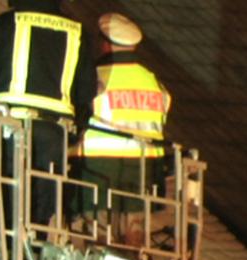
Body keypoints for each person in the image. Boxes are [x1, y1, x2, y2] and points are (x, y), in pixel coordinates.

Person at [0, 0, 96, 228]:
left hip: (10, 128)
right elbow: (86, 91)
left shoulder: (7, 22)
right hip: (55, 134)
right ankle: (35, 252)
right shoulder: (77, 31)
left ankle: (2, 252)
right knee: (41, 208)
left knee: (3, 201)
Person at [70, 12, 173, 246]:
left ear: (104, 43)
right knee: (133, 240)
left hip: (98, 168)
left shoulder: (95, 77)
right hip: (143, 171)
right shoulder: (154, 82)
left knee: (99, 240)